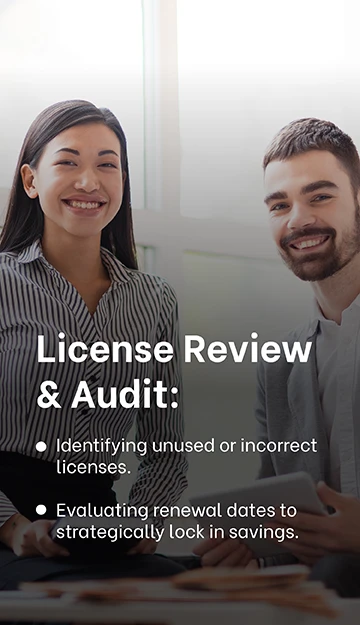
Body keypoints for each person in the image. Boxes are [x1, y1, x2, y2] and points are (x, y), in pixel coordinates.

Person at [0, 99, 188, 589]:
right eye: (68, 162)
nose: (90, 182)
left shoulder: (155, 300)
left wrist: (143, 521)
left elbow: (165, 451)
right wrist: (14, 527)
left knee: (192, 600)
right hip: (10, 532)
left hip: (101, 532)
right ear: (30, 180)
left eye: (108, 165)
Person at [195, 118, 360, 597]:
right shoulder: (279, 364)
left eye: (320, 196)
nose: (298, 220)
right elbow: (279, 519)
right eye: (279, 205)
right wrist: (246, 548)